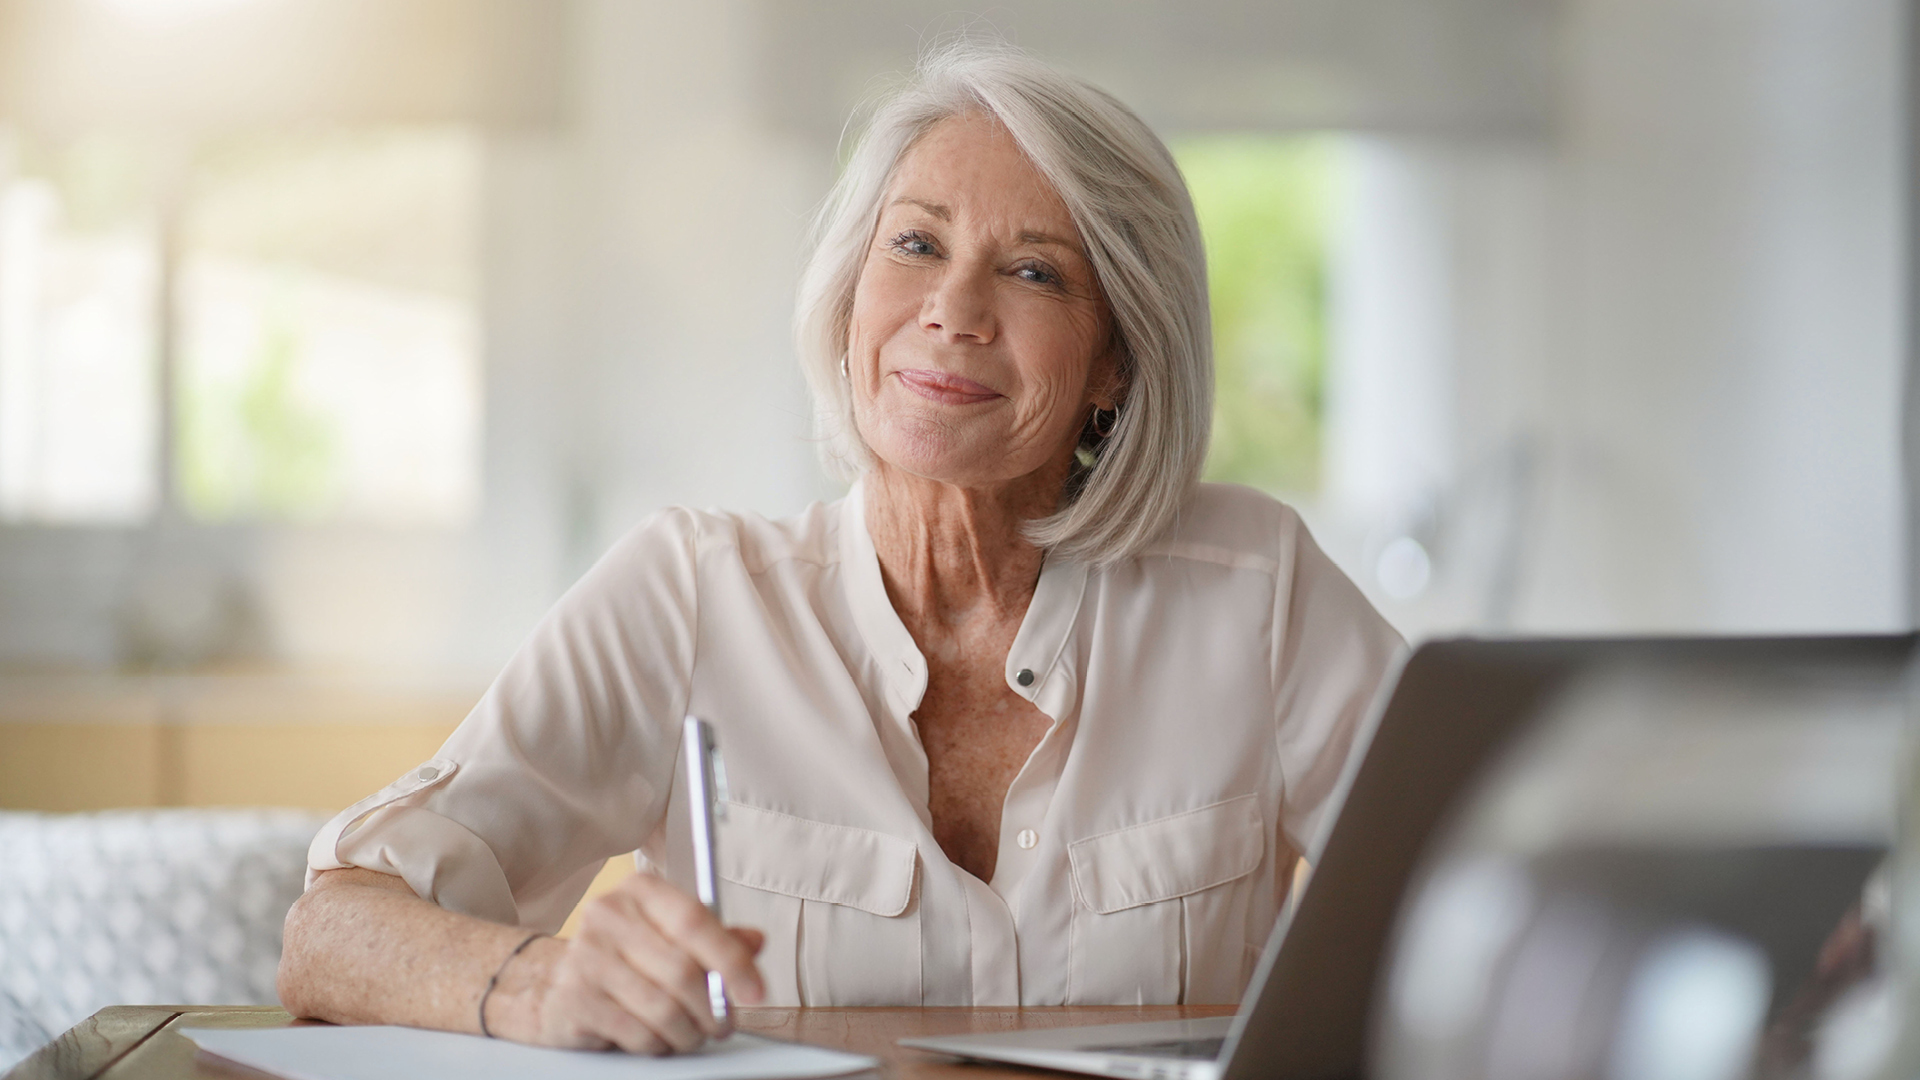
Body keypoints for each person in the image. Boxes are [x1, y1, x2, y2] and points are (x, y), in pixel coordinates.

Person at [277, 42, 1403, 1055]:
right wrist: (546, 983)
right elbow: (331, 931)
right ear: (852, 292)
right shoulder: (691, 594)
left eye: (1034, 271)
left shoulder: (1257, 592)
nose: (954, 309)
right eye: (916, 244)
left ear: (1117, 359)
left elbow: (1506, 870)